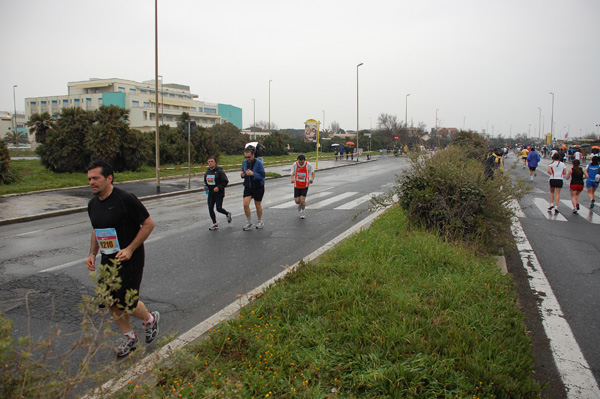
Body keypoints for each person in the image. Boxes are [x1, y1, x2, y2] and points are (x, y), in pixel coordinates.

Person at [85, 160, 159, 358]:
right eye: (89, 178)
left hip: (130, 259)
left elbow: (148, 224)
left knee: (127, 302)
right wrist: (92, 253)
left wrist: (130, 249)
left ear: (109, 178)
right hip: (108, 259)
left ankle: (150, 318)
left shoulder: (126, 199)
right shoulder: (92, 204)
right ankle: (129, 336)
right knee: (109, 300)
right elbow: (97, 230)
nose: (91, 182)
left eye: (96, 178)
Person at [241, 146, 266, 230]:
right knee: (245, 204)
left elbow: (263, 175)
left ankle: (260, 221)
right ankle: (249, 221)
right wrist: (242, 175)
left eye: (249, 157)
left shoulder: (258, 163)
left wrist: (253, 174)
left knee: (257, 204)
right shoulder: (244, 162)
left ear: (253, 155)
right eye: (246, 157)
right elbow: (243, 172)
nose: (247, 159)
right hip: (248, 186)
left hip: (258, 186)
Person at [203, 156, 232, 230]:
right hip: (211, 193)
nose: (210, 163)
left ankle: (227, 213)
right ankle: (214, 223)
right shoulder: (207, 172)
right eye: (209, 162)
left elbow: (225, 181)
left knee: (218, 208)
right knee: (210, 207)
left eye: (212, 161)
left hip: (219, 193)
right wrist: (206, 188)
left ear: (215, 163)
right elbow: (206, 181)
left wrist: (219, 187)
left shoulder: (219, 171)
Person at [291, 154, 316, 219]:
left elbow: (313, 172)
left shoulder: (308, 165)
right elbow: (292, 173)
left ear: (304, 161)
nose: (300, 163)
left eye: (302, 162)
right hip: (297, 185)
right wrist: (292, 178)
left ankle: (302, 212)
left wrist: (312, 179)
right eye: (299, 162)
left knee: (302, 200)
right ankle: (300, 205)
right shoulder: (295, 165)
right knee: (297, 201)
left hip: (305, 185)